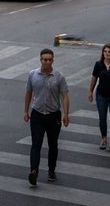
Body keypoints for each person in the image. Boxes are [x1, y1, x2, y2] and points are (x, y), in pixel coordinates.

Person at [23, 48, 69, 186]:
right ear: (40, 60)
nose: (47, 62)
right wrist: (26, 111)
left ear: (53, 60)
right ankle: (34, 171)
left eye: (49, 60)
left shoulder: (59, 77)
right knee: (36, 144)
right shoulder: (33, 75)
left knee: (52, 145)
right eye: (45, 59)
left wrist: (66, 113)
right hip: (37, 114)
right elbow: (28, 93)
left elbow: (65, 95)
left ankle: (51, 170)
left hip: (53, 115)